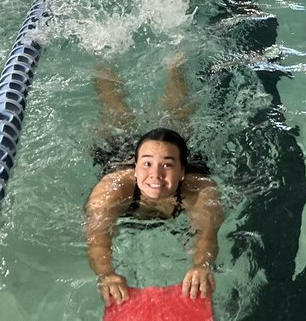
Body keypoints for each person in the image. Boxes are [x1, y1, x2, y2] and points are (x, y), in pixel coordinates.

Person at [85, 60, 221, 307]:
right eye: (147, 164)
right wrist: (106, 273)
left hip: (172, 165)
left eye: (168, 165)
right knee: (115, 112)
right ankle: (104, 58)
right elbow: (97, 236)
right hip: (121, 153)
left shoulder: (200, 191)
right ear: (136, 168)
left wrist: (201, 266)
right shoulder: (110, 191)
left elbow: (207, 236)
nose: (156, 175)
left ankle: (175, 66)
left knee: (179, 116)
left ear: (182, 171)